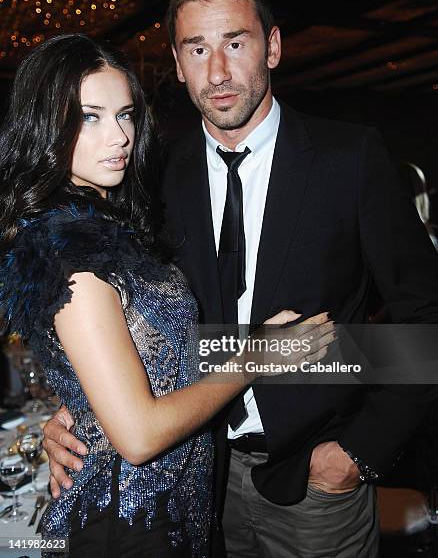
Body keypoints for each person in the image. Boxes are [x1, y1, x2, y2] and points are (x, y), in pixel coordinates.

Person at [43, 0, 438, 558]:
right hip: (198, 479)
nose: (219, 71)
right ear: (176, 64)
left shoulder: (349, 159)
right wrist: (75, 414)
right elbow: (131, 322)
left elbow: (425, 316)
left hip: (317, 486)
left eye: (236, 42)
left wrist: (356, 454)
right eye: (197, 49)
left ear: (272, 46)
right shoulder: (152, 178)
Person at [0, 33, 332, 557]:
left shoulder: (119, 220)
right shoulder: (69, 253)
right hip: (129, 522)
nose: (120, 137)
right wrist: (257, 357)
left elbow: (150, 351)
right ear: (46, 125)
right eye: (90, 116)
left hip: (186, 502)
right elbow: (138, 436)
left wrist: (83, 401)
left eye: (125, 114)